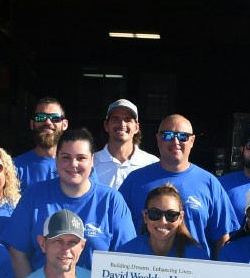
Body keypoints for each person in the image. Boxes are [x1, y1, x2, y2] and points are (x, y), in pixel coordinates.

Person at [1, 128, 133, 277]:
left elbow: (127, 259)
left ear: (92, 161)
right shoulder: (35, 194)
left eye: (81, 158)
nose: (73, 164)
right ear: (56, 160)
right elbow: (18, 252)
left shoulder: (112, 201)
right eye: (66, 157)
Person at [119, 114, 240, 251]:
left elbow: (222, 239)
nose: (175, 141)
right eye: (168, 135)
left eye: (183, 136)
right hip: (144, 270)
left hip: (196, 269)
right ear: (158, 139)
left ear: (192, 141)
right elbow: (117, 231)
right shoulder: (135, 181)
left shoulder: (209, 183)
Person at [117, 183, 211, 259]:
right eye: (155, 214)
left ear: (180, 218)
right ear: (145, 216)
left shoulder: (197, 258)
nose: (163, 221)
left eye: (171, 215)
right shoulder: (127, 254)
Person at [93, 98, 158, 191]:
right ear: (106, 125)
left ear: (136, 127)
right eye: (115, 119)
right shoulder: (90, 163)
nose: (122, 124)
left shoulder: (152, 164)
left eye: (128, 120)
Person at [13, 97, 68, 191]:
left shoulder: (79, 166)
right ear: (31, 124)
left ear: (64, 124)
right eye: (40, 117)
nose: (47, 122)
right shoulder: (13, 168)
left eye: (55, 118)